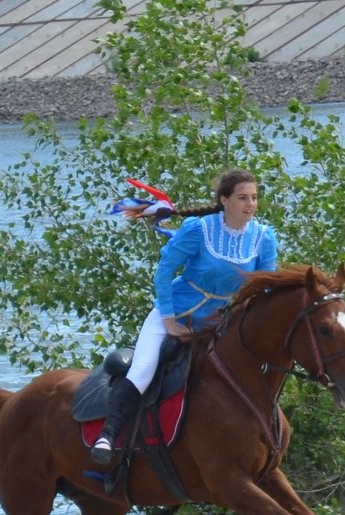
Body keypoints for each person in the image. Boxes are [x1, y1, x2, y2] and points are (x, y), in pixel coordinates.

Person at [91, 168, 279, 465]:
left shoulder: (264, 238)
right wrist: (168, 320)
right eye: (243, 198)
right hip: (177, 311)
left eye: (254, 198)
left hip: (220, 321)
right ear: (224, 200)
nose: (251, 204)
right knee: (142, 371)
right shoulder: (199, 229)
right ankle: (108, 435)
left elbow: (265, 288)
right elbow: (164, 271)